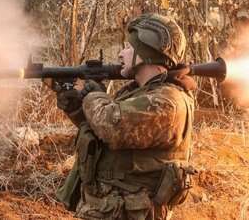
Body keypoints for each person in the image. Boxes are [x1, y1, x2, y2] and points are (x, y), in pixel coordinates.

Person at [56, 13, 197, 220]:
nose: (122, 54)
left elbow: (111, 128)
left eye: (129, 48)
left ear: (147, 53)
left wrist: (92, 94)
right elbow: (100, 132)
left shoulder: (167, 102)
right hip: (110, 210)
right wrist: (75, 106)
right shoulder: (138, 93)